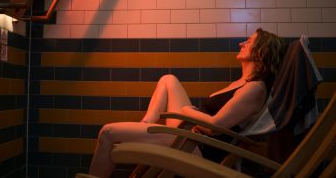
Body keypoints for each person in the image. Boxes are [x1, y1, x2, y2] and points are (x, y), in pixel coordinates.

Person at [89, 28, 285, 177]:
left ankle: (144, 130)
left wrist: (187, 111)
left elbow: (215, 127)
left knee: (107, 133)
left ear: (261, 51)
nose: (242, 43)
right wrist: (188, 114)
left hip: (197, 146)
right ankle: (147, 124)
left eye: (249, 42)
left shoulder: (255, 88)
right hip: (189, 134)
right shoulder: (241, 82)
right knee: (168, 79)